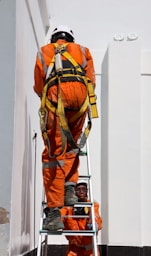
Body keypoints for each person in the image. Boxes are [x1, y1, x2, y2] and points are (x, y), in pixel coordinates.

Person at [33, 25, 97, 231]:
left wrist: (52, 103)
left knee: (53, 154)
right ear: (70, 38)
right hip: (80, 102)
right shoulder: (84, 50)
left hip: (55, 99)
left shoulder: (44, 51)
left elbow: (38, 86)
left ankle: (54, 213)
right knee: (71, 146)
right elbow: (91, 82)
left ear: (54, 39)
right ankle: (69, 188)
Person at [61, 182, 102, 256]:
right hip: (74, 250)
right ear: (73, 192)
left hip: (90, 251)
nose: (81, 192)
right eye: (78, 190)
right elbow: (61, 216)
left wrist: (93, 223)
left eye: (84, 190)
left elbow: (97, 219)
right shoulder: (68, 208)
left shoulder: (92, 205)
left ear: (87, 192)